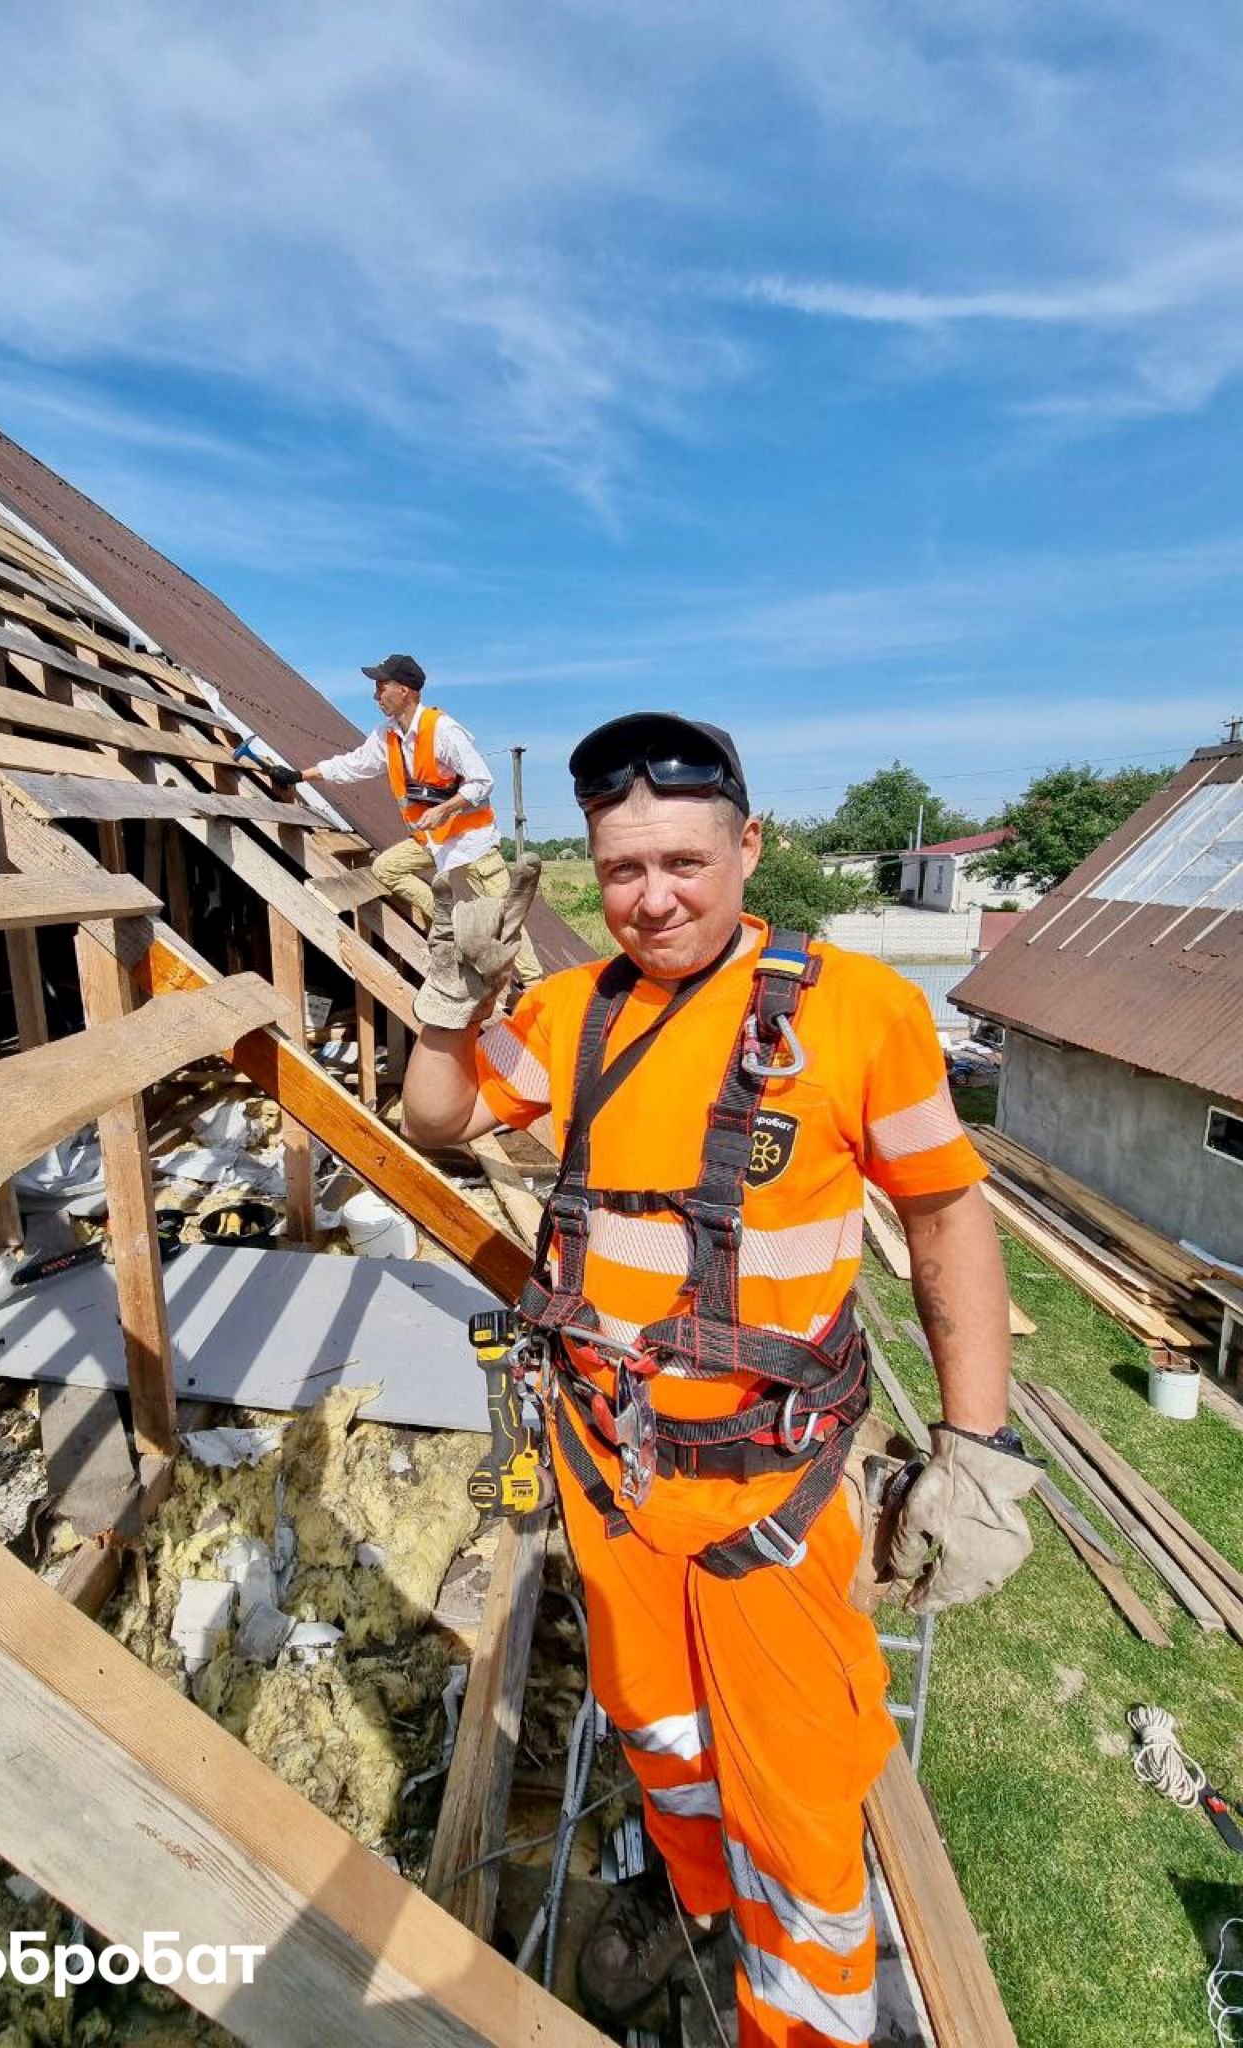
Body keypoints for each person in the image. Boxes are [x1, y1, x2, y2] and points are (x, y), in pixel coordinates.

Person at [399, 711, 1037, 2047]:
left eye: (683, 861)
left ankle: (798, 2021)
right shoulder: (573, 1016)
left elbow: (945, 1218)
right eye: (622, 869)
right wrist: (447, 1005)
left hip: (774, 1497)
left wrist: (977, 1447)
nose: (651, 898)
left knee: (800, 1801)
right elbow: (438, 1119)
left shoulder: (856, 1013)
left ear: (749, 846)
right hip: (616, 1480)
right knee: (661, 1733)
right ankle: (698, 1902)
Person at [299, 653, 542, 989]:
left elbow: (482, 781)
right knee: (387, 868)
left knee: (506, 915)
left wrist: (445, 809)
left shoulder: (442, 729)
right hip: (432, 840)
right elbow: (354, 765)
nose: (375, 696)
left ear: (406, 690)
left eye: (382, 687)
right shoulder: (387, 735)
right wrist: (300, 775)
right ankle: (455, 924)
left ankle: (533, 985)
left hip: (471, 841)